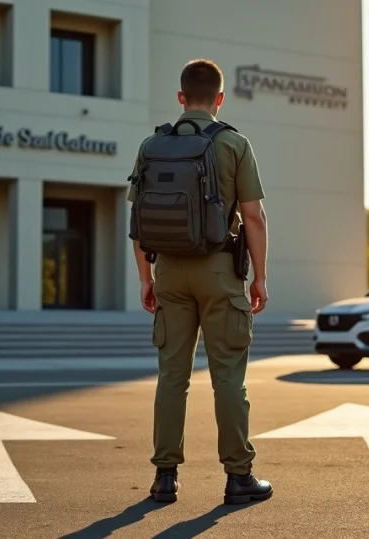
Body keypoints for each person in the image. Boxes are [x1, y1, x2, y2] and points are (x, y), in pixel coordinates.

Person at [126, 58, 273, 504]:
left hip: (169, 271)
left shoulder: (152, 144)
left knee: (172, 376)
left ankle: (165, 477)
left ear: (181, 98)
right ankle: (238, 477)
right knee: (228, 376)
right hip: (219, 271)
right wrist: (260, 278)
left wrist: (146, 278)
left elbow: (137, 221)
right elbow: (253, 216)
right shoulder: (234, 143)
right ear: (220, 98)